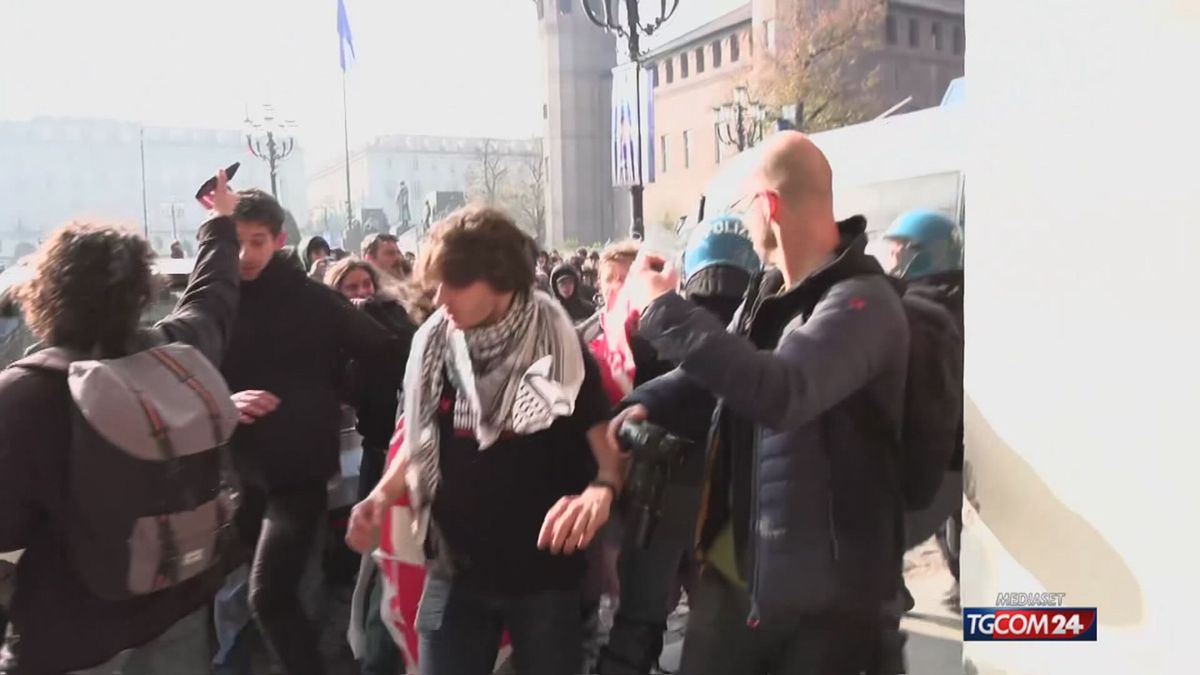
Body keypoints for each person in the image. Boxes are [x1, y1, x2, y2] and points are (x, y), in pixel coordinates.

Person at [610, 131, 909, 675]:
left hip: (828, 600)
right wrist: (643, 403)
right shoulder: (768, 290)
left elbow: (781, 391)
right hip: (741, 566)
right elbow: (717, 370)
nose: (745, 222)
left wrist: (662, 308)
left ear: (769, 207)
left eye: (745, 206)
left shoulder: (862, 302)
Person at [345, 206, 623, 675]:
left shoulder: (560, 351)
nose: (440, 297)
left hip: (544, 580)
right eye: (436, 282)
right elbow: (420, 442)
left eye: (455, 282)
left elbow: (609, 459)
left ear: (500, 279)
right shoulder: (435, 346)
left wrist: (601, 493)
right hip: (451, 571)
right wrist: (380, 495)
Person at [0, 169, 241, 674]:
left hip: (71, 635)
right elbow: (213, 298)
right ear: (140, 291)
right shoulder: (178, 355)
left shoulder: (23, 395)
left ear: (44, 294)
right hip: (177, 607)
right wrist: (222, 224)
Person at [221, 190, 404, 675]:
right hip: (234, 472)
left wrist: (337, 390)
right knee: (244, 597)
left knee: (269, 596)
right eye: (235, 241)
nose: (244, 254)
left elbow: (385, 352)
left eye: (256, 242)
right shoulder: (219, 296)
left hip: (296, 470)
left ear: (278, 240)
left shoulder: (312, 299)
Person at [598, 217, 760, 675]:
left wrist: (639, 403)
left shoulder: (655, 315)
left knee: (639, 620)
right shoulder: (757, 315)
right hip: (731, 490)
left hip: (661, 486)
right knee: (724, 626)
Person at [324, 259, 417, 675]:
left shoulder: (393, 326)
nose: (360, 294)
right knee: (369, 563)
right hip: (374, 455)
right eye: (349, 288)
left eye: (366, 285)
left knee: (392, 565)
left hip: (400, 458)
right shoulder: (333, 340)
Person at [881, 209, 965, 611]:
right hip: (963, 456)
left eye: (897, 252)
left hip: (933, 464)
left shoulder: (916, 313)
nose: (891, 260)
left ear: (921, 255)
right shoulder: (966, 300)